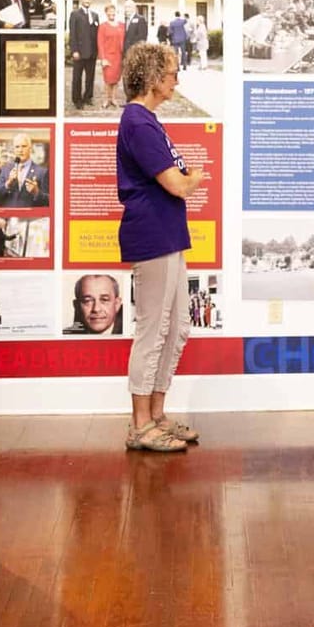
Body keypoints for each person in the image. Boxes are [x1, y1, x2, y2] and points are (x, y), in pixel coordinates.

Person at [117, 43, 203, 451]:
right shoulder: (137, 121)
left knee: (177, 327)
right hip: (152, 233)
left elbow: (174, 178)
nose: (176, 80)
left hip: (168, 232)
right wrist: (193, 179)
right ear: (153, 78)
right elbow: (176, 183)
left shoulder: (148, 121)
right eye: (171, 73)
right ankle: (140, 425)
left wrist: (186, 179)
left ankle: (156, 414)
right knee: (152, 331)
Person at [0, 133, 50, 207]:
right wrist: (7, 184)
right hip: (8, 217)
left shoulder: (42, 172)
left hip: (31, 217)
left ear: (30, 148)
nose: (20, 150)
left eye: (24, 146)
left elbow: (49, 201)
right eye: (17, 147)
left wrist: (36, 193)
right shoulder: (6, 169)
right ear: (14, 149)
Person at [68, 0, 99, 108]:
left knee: (90, 77)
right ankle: (77, 100)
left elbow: (96, 34)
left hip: (92, 53)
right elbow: (73, 34)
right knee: (77, 78)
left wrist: (97, 51)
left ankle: (88, 97)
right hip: (79, 53)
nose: (87, 0)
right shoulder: (75, 14)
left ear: (91, 0)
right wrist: (74, 50)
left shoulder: (95, 15)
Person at [97, 4, 125, 108]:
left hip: (119, 56)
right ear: (106, 13)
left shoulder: (122, 25)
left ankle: (113, 99)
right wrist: (103, 58)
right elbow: (100, 43)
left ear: (116, 12)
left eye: (113, 11)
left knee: (116, 79)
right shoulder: (103, 26)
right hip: (108, 57)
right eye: (109, 11)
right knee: (108, 80)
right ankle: (106, 99)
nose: (111, 13)